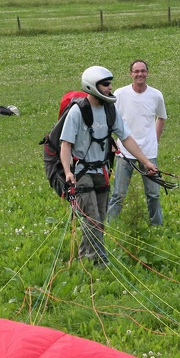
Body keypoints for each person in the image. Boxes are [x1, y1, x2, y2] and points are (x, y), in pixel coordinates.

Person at [60, 65, 158, 266]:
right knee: (92, 218)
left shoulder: (110, 110)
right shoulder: (78, 112)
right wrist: (68, 172)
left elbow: (127, 138)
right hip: (82, 172)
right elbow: (66, 144)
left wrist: (146, 161)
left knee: (99, 221)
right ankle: (100, 262)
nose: (109, 87)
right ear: (92, 85)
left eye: (109, 83)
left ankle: (83, 258)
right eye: (105, 84)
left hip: (102, 171)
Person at [107, 60, 168, 226]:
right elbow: (110, 119)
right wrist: (112, 143)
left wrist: (155, 140)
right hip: (124, 153)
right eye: (136, 71)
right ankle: (109, 226)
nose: (140, 74)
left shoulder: (156, 95)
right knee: (119, 194)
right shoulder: (120, 94)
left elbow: (161, 117)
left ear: (147, 73)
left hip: (149, 153)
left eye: (143, 71)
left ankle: (156, 226)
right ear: (131, 74)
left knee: (153, 193)